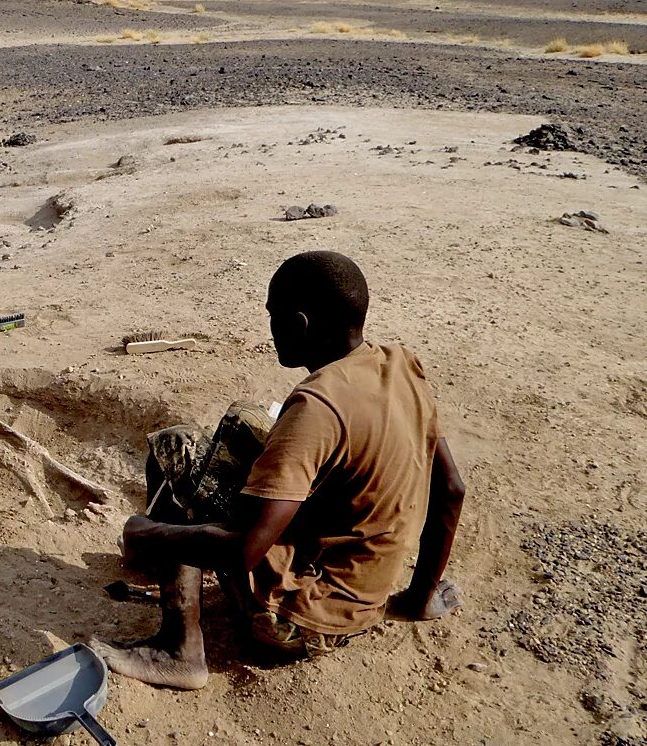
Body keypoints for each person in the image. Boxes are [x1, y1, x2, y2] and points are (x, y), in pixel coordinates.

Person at [91, 251, 465, 688]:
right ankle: (175, 572)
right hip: (363, 589)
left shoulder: (318, 407)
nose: (269, 328)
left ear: (300, 324)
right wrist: (418, 596)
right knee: (245, 418)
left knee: (177, 449)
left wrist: (149, 534)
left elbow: (243, 549)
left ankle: (180, 650)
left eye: (273, 315)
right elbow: (452, 489)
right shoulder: (400, 364)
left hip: (302, 621)